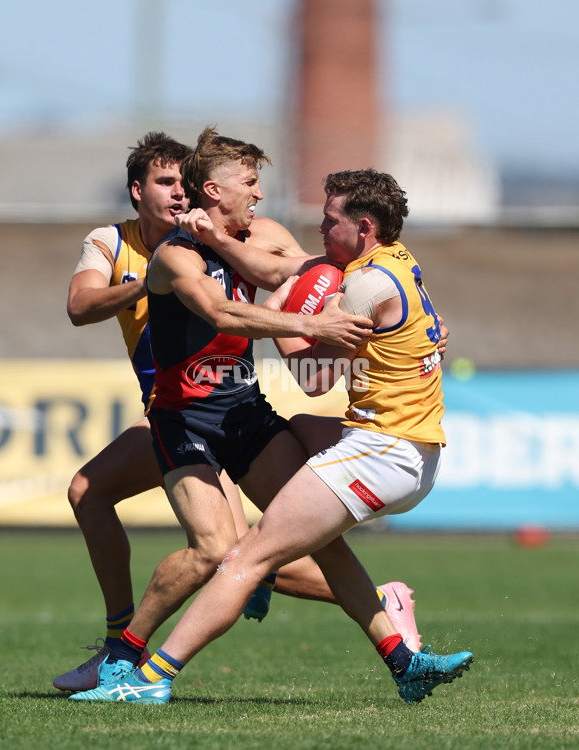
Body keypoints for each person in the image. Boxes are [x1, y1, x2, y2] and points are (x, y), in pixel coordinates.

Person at [70, 167, 473, 707]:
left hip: (285, 422)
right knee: (240, 540)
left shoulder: (288, 246)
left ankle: (141, 670)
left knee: (247, 555)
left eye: (331, 219)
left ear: (365, 224)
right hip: (189, 417)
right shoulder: (170, 251)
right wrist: (318, 323)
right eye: (250, 182)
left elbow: (300, 289)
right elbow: (230, 305)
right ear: (214, 191)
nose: (261, 193)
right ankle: (401, 658)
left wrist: (323, 323)